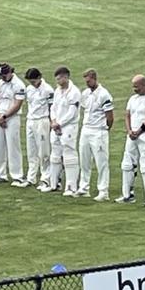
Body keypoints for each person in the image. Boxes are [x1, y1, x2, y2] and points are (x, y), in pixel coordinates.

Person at [116, 74, 145, 207]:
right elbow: (127, 115)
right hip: (132, 136)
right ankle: (127, 194)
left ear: (144, 85)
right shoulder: (132, 99)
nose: (134, 89)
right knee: (127, 164)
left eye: (136, 86)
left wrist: (139, 131)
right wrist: (129, 130)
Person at [41, 66, 80, 197]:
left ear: (66, 77)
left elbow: (72, 113)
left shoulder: (74, 92)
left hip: (69, 127)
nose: (57, 81)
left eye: (59, 79)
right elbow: (53, 108)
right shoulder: (57, 91)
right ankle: (54, 184)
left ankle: (71, 186)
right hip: (56, 126)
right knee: (55, 155)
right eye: (56, 79)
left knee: (69, 155)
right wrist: (53, 121)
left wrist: (59, 123)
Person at [77, 70, 114, 201]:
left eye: (88, 81)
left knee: (101, 162)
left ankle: (103, 191)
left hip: (99, 131)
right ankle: (84, 188)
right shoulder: (85, 93)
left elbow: (110, 117)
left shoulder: (104, 94)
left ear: (94, 78)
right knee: (84, 160)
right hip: (86, 129)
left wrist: (105, 129)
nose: (87, 84)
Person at [0, 63, 26, 186]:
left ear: (10, 72)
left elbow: (17, 104)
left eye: (4, 75)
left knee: (13, 145)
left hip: (12, 118)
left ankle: (17, 175)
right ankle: (0, 174)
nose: (3, 78)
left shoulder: (18, 84)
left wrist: (5, 117)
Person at [24, 68, 53, 190]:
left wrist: (51, 123)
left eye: (34, 81)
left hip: (42, 120)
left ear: (39, 77)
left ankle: (45, 178)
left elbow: (52, 107)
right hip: (31, 120)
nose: (32, 84)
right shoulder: (29, 89)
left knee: (44, 152)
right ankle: (31, 177)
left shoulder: (48, 90)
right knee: (31, 151)